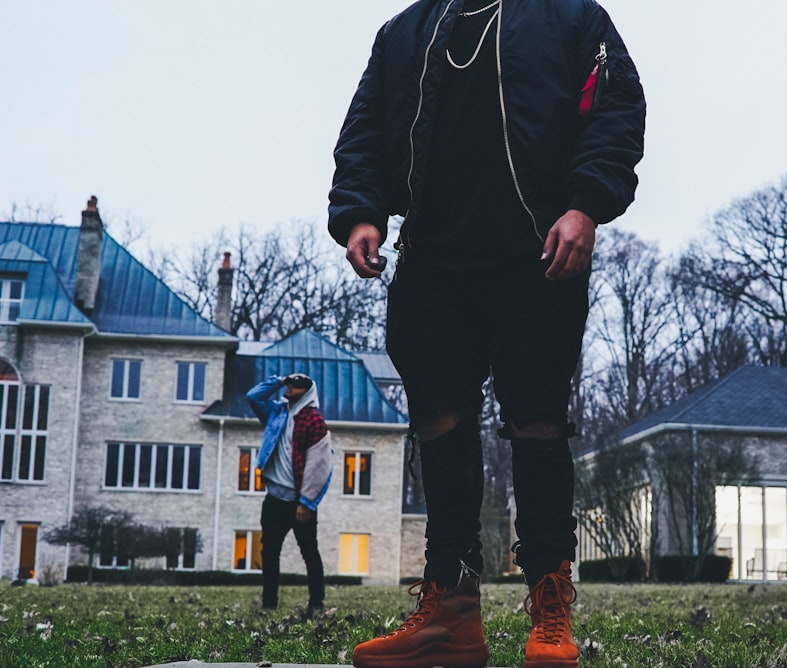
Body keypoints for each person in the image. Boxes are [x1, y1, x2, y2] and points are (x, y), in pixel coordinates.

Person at [327, 0, 644, 666]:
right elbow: (361, 131)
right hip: (433, 262)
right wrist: (361, 212)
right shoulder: (404, 32)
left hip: (536, 255)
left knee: (537, 422)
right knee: (439, 422)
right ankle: (450, 611)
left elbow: (616, 112)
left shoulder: (570, 17)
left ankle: (550, 610)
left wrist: (586, 204)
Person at [246, 373, 333, 612]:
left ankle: (316, 603)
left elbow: (320, 465)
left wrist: (306, 502)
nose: (291, 387)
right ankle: (268, 604)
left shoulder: (314, 421)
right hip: (274, 498)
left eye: (296, 385)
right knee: (270, 552)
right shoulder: (276, 412)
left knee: (309, 553)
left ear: (306, 392)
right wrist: (279, 381)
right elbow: (253, 396)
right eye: (290, 384)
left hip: (299, 502)